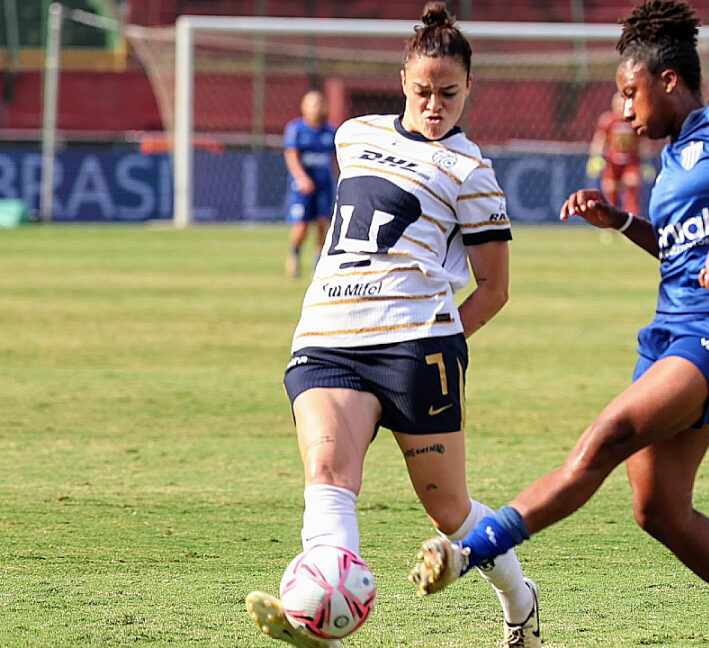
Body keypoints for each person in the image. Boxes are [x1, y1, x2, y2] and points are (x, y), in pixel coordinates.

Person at [410, 2, 709, 647]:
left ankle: (473, 549)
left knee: (608, 434)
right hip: (671, 331)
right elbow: (678, 249)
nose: (626, 111)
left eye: (630, 93)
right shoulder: (671, 161)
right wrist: (621, 222)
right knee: (659, 511)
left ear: (668, 80)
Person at [245, 4, 540, 648]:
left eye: (449, 93)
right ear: (402, 80)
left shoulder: (473, 172)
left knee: (449, 510)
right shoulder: (352, 135)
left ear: (469, 89)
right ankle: (322, 615)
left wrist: (437, 341)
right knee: (328, 474)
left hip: (416, 352)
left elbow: (495, 289)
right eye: (423, 91)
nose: (434, 105)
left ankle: (521, 602)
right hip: (327, 337)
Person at [283, 90, 337, 278]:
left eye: (319, 103)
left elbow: (336, 159)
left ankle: (318, 262)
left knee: (323, 223)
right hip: (302, 188)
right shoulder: (296, 129)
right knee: (301, 226)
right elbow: (291, 156)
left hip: (324, 186)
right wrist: (301, 178)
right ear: (303, 107)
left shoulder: (330, 132)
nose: (316, 108)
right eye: (311, 104)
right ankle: (294, 254)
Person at [587, 92, 643, 216]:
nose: (620, 107)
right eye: (618, 104)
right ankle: (610, 226)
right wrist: (595, 158)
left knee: (632, 190)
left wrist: (647, 162)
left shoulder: (635, 120)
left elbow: (643, 142)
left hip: (631, 162)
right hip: (612, 163)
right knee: (611, 193)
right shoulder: (608, 120)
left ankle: (633, 221)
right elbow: (599, 140)